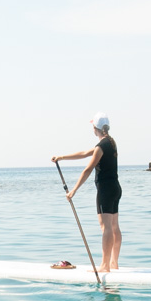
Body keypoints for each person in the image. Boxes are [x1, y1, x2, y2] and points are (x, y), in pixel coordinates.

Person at [52, 113, 122, 272]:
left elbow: (88, 169)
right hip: (115, 189)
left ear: (94, 128)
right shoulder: (111, 143)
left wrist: (74, 190)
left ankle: (105, 266)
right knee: (114, 226)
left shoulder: (101, 146)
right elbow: (84, 153)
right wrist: (61, 157)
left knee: (106, 228)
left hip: (105, 190)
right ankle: (114, 263)